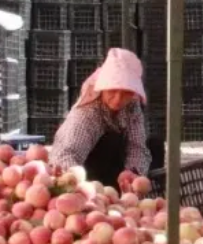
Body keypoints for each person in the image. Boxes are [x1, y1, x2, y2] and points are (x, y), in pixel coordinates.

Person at [51, 49, 152, 191]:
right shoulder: (87, 113)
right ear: (103, 88)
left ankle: (131, 193)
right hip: (90, 176)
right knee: (111, 141)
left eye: (126, 93)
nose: (118, 100)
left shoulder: (132, 104)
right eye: (112, 91)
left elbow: (137, 145)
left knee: (155, 145)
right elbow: (64, 156)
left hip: (115, 172)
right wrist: (81, 187)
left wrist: (133, 172)